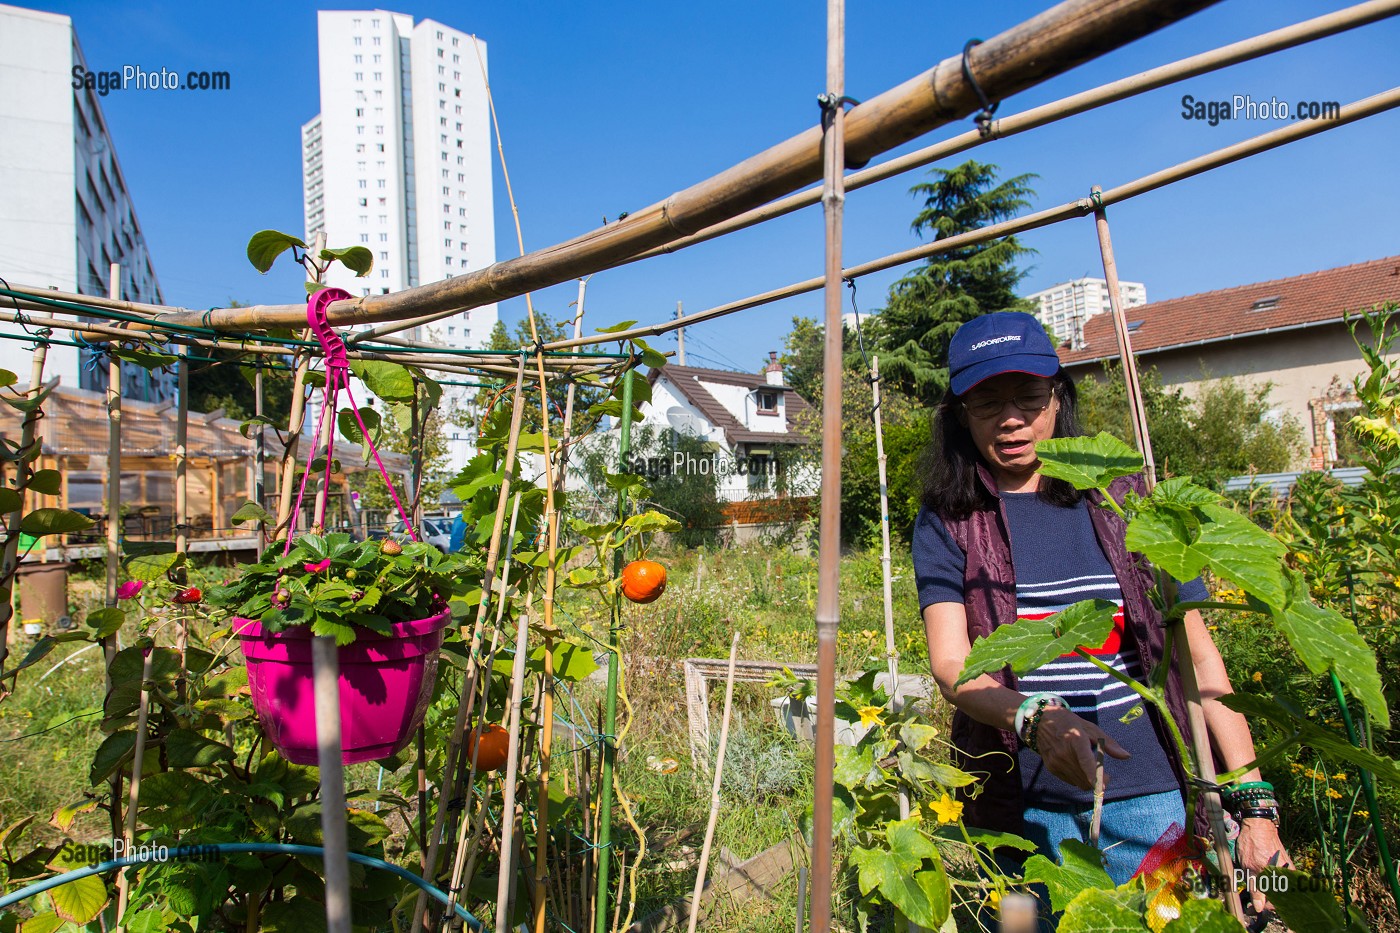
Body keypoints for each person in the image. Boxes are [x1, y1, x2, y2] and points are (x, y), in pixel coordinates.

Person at [912, 311, 1290, 916]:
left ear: (1058, 397)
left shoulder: (1126, 497)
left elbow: (1198, 659)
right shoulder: (950, 519)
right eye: (986, 403)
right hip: (1019, 812)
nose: (1011, 419)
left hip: (1149, 796)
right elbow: (953, 662)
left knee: (1176, 921)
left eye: (1028, 397)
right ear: (960, 416)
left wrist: (1254, 803)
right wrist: (1034, 717)